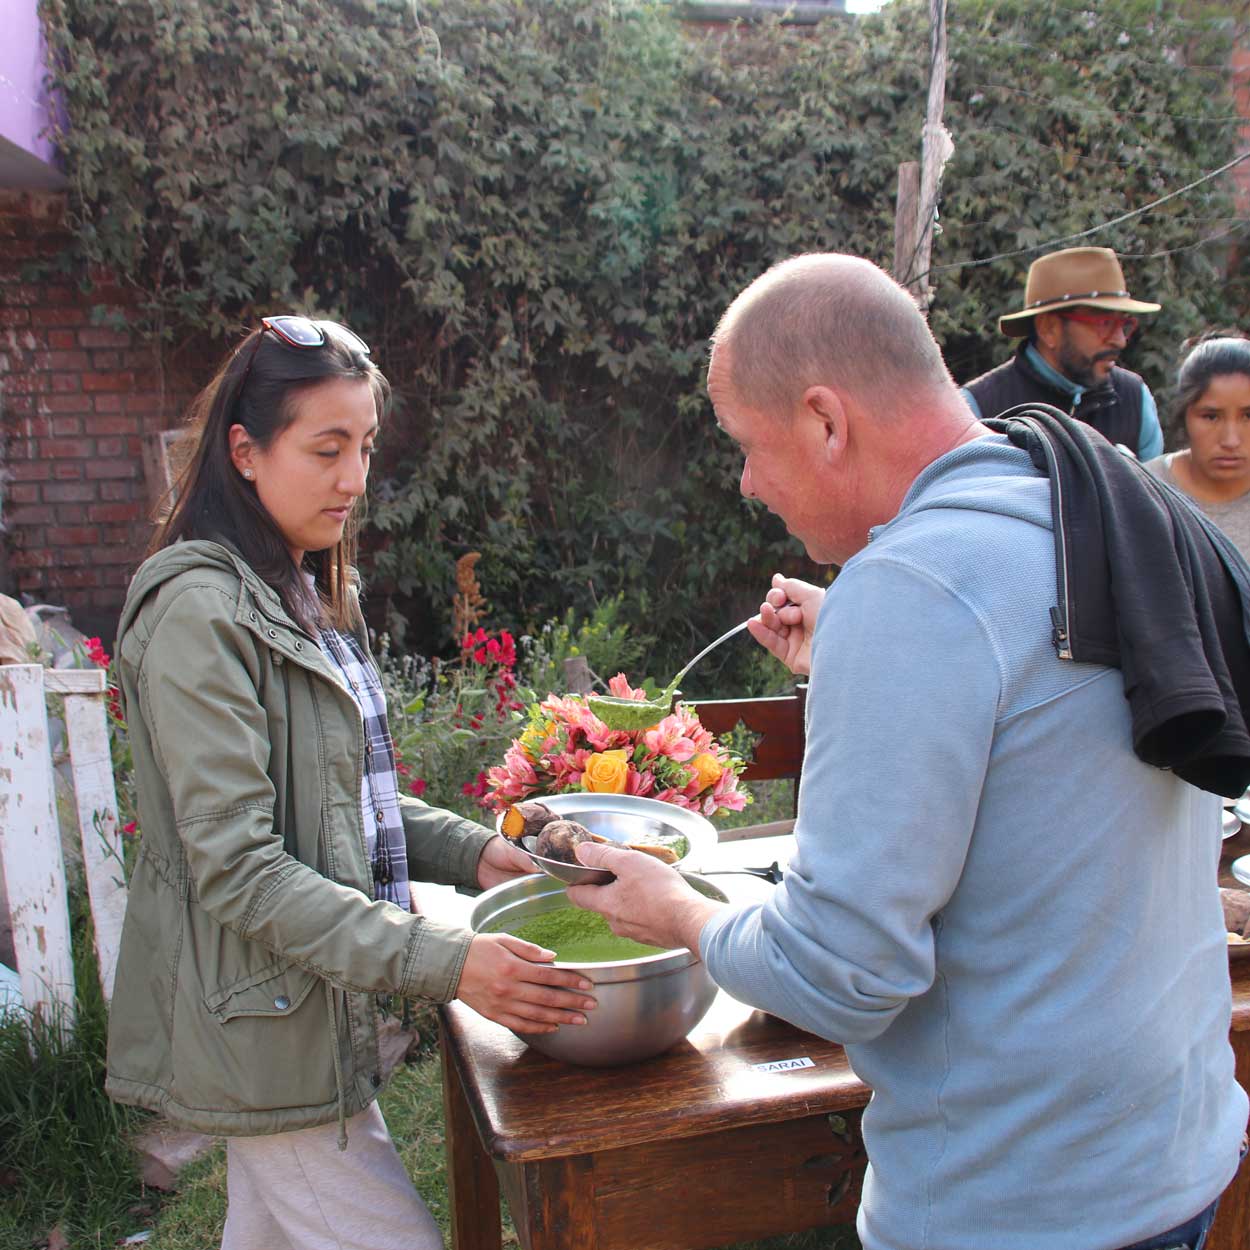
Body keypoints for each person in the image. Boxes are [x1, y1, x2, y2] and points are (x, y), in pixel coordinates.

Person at [569, 256, 1248, 1250]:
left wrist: (676, 909)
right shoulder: (1080, 505)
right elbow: (1043, 723)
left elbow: (839, 972)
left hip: (1017, 1205)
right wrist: (858, 645)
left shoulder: (914, 590)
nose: (748, 483)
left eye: (747, 445)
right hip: (1171, 1153)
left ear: (824, 420)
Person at [104, 316, 597, 1250]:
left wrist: (479, 853)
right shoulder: (199, 613)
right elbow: (240, 868)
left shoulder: (307, 589)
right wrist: (452, 962)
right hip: (265, 1031)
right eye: (327, 449)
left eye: (365, 447)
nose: (355, 479)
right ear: (245, 452)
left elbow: (346, 801)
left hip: (303, 1012)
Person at [960, 245, 1164, 459]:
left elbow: (1152, 479)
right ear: (1048, 328)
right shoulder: (979, 408)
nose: (1120, 341)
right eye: (1104, 323)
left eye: (1124, 324)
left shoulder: (1135, 399)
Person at [1146, 331, 1250, 559]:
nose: (1230, 440)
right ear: (1184, 415)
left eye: (1248, 416)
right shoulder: (1144, 492)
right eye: (1211, 417)